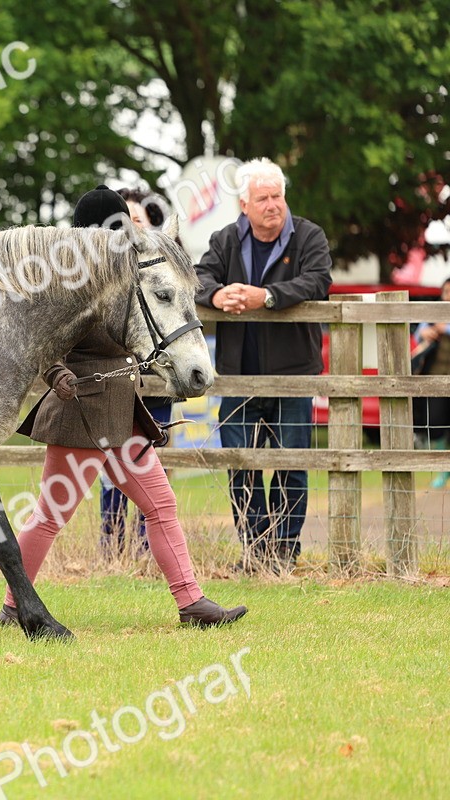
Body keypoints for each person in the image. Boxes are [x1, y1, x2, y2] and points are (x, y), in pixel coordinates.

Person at [0, 185, 247, 630]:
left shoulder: (124, 275)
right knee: (51, 517)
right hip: (82, 416)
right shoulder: (67, 282)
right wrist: (56, 374)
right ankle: (14, 605)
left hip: (122, 414)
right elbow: (41, 343)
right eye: (121, 225)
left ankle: (191, 603)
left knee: (161, 504)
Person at [195, 158, 332, 572]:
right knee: (242, 466)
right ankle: (255, 553)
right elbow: (198, 278)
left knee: (292, 465)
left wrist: (266, 297)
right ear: (244, 205)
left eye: (277, 196)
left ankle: (284, 554)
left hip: (293, 374)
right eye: (263, 198)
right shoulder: (225, 239)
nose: (272, 205)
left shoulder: (309, 236)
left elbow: (318, 281)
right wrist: (216, 296)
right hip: (238, 376)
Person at [97, 187, 179, 558]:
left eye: (137, 220)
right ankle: (112, 546)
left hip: (155, 388)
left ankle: (148, 549)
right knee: (111, 470)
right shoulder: (102, 273)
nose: (131, 228)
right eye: (123, 222)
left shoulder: (162, 267)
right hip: (113, 388)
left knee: (152, 468)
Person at [413, 277, 450, 488]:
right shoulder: (434, 312)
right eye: (446, 292)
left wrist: (445, 329)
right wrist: (425, 332)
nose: (448, 296)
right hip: (436, 380)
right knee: (435, 424)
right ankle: (444, 469)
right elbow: (419, 331)